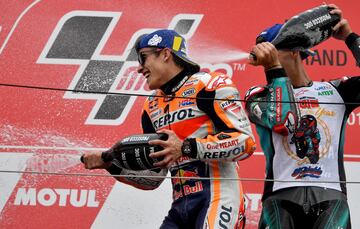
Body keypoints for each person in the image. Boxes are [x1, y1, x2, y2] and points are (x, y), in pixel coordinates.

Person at [82, 29, 256, 228]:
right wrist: (111, 164)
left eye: (143, 58)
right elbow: (154, 179)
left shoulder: (209, 84)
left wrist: (185, 147)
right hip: (181, 207)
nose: (140, 68)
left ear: (165, 54)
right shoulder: (151, 106)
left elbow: (246, 143)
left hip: (219, 198)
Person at [245, 4, 360, 229]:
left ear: (295, 50)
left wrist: (349, 36)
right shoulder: (257, 95)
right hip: (279, 198)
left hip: (331, 196)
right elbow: (282, 120)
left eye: (270, 49)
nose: (264, 55)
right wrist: (274, 69)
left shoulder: (336, 90)